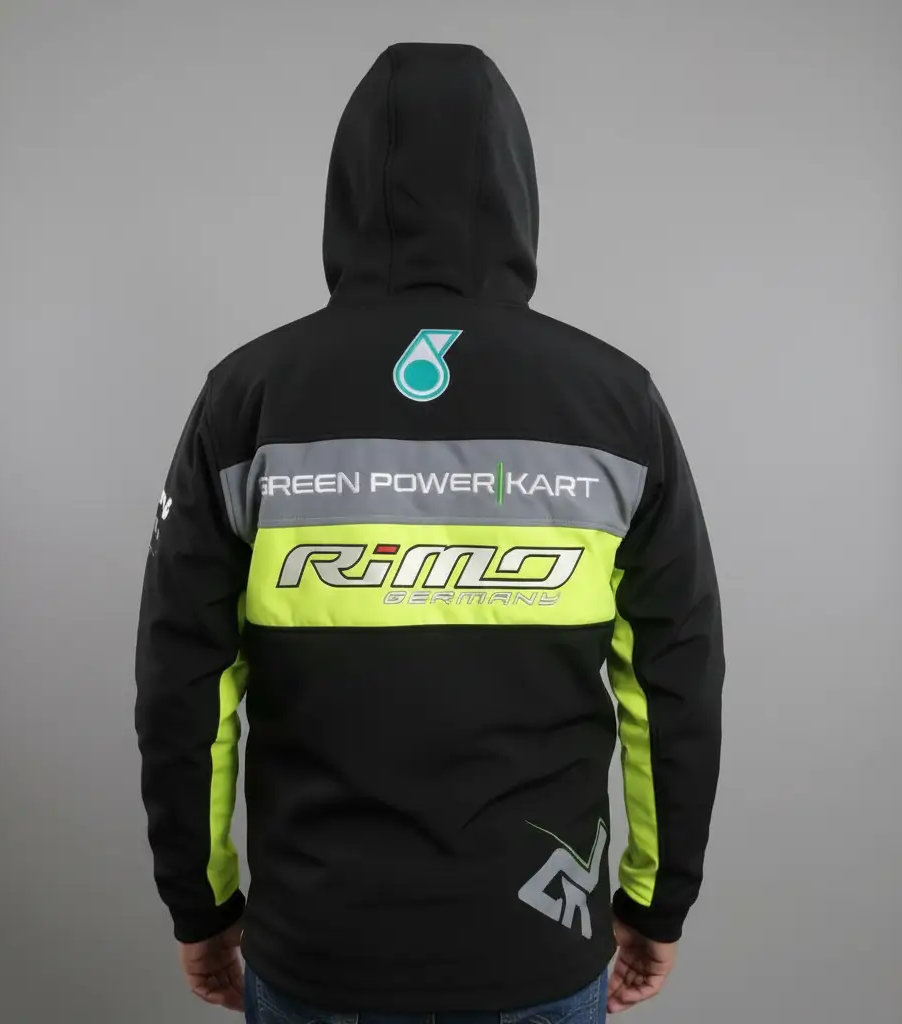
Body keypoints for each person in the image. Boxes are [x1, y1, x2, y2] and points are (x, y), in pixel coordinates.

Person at [134, 41, 724, 1023]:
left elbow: (184, 679)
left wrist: (201, 905)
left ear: (347, 189)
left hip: (318, 946)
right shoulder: (615, 405)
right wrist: (657, 900)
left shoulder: (249, 397)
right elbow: (674, 678)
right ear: (514, 188)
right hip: (537, 941)